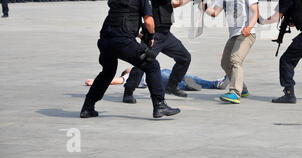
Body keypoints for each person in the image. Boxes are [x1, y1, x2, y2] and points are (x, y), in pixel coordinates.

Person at [80, 0, 180, 119]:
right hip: (122, 42)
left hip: (105, 40)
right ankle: (159, 105)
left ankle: (87, 107)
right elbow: (148, 20)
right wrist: (151, 36)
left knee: (107, 72)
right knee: (152, 65)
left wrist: (140, 35)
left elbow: (123, 20)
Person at [122, 0, 199, 103]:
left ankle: (171, 86)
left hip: (165, 34)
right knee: (143, 62)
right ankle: (128, 91)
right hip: (153, 34)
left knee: (184, 58)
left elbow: (174, 3)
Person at [204, 0, 259, 104]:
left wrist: (249, 27)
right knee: (225, 63)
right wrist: (203, 6)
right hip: (234, 34)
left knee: (235, 59)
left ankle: (235, 92)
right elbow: (215, 13)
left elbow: (255, 12)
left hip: (247, 33)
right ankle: (244, 89)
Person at [85, 68, 229, 91]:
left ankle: (207, 85)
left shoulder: (135, 78)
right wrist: (95, 82)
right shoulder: (130, 76)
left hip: (161, 82)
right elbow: (118, 80)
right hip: (160, 75)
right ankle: (215, 84)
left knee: (185, 83)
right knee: (186, 77)